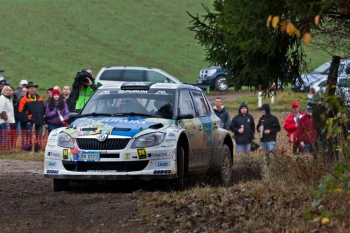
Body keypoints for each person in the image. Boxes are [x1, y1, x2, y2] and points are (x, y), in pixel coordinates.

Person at [18, 81, 45, 151]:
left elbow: (44, 109)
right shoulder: (24, 99)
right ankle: (28, 149)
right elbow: (21, 112)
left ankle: (37, 148)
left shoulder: (40, 98)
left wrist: (43, 119)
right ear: (28, 89)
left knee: (38, 135)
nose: (32, 89)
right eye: (31, 88)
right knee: (29, 136)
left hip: (39, 121)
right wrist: (27, 121)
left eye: (34, 88)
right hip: (30, 121)